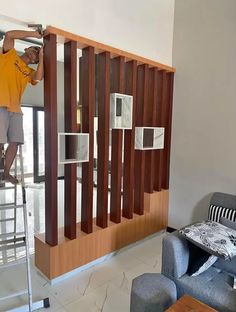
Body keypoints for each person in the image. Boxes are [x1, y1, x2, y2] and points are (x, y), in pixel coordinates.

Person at [0, 30, 44, 184]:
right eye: (34, 49)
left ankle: (5, 173)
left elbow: (39, 77)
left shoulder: (29, 72)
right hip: (1, 103)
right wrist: (34, 34)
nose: (35, 52)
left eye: (37, 54)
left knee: (15, 142)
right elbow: (10, 35)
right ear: (26, 49)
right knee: (0, 141)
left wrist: (43, 57)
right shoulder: (9, 55)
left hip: (16, 109)